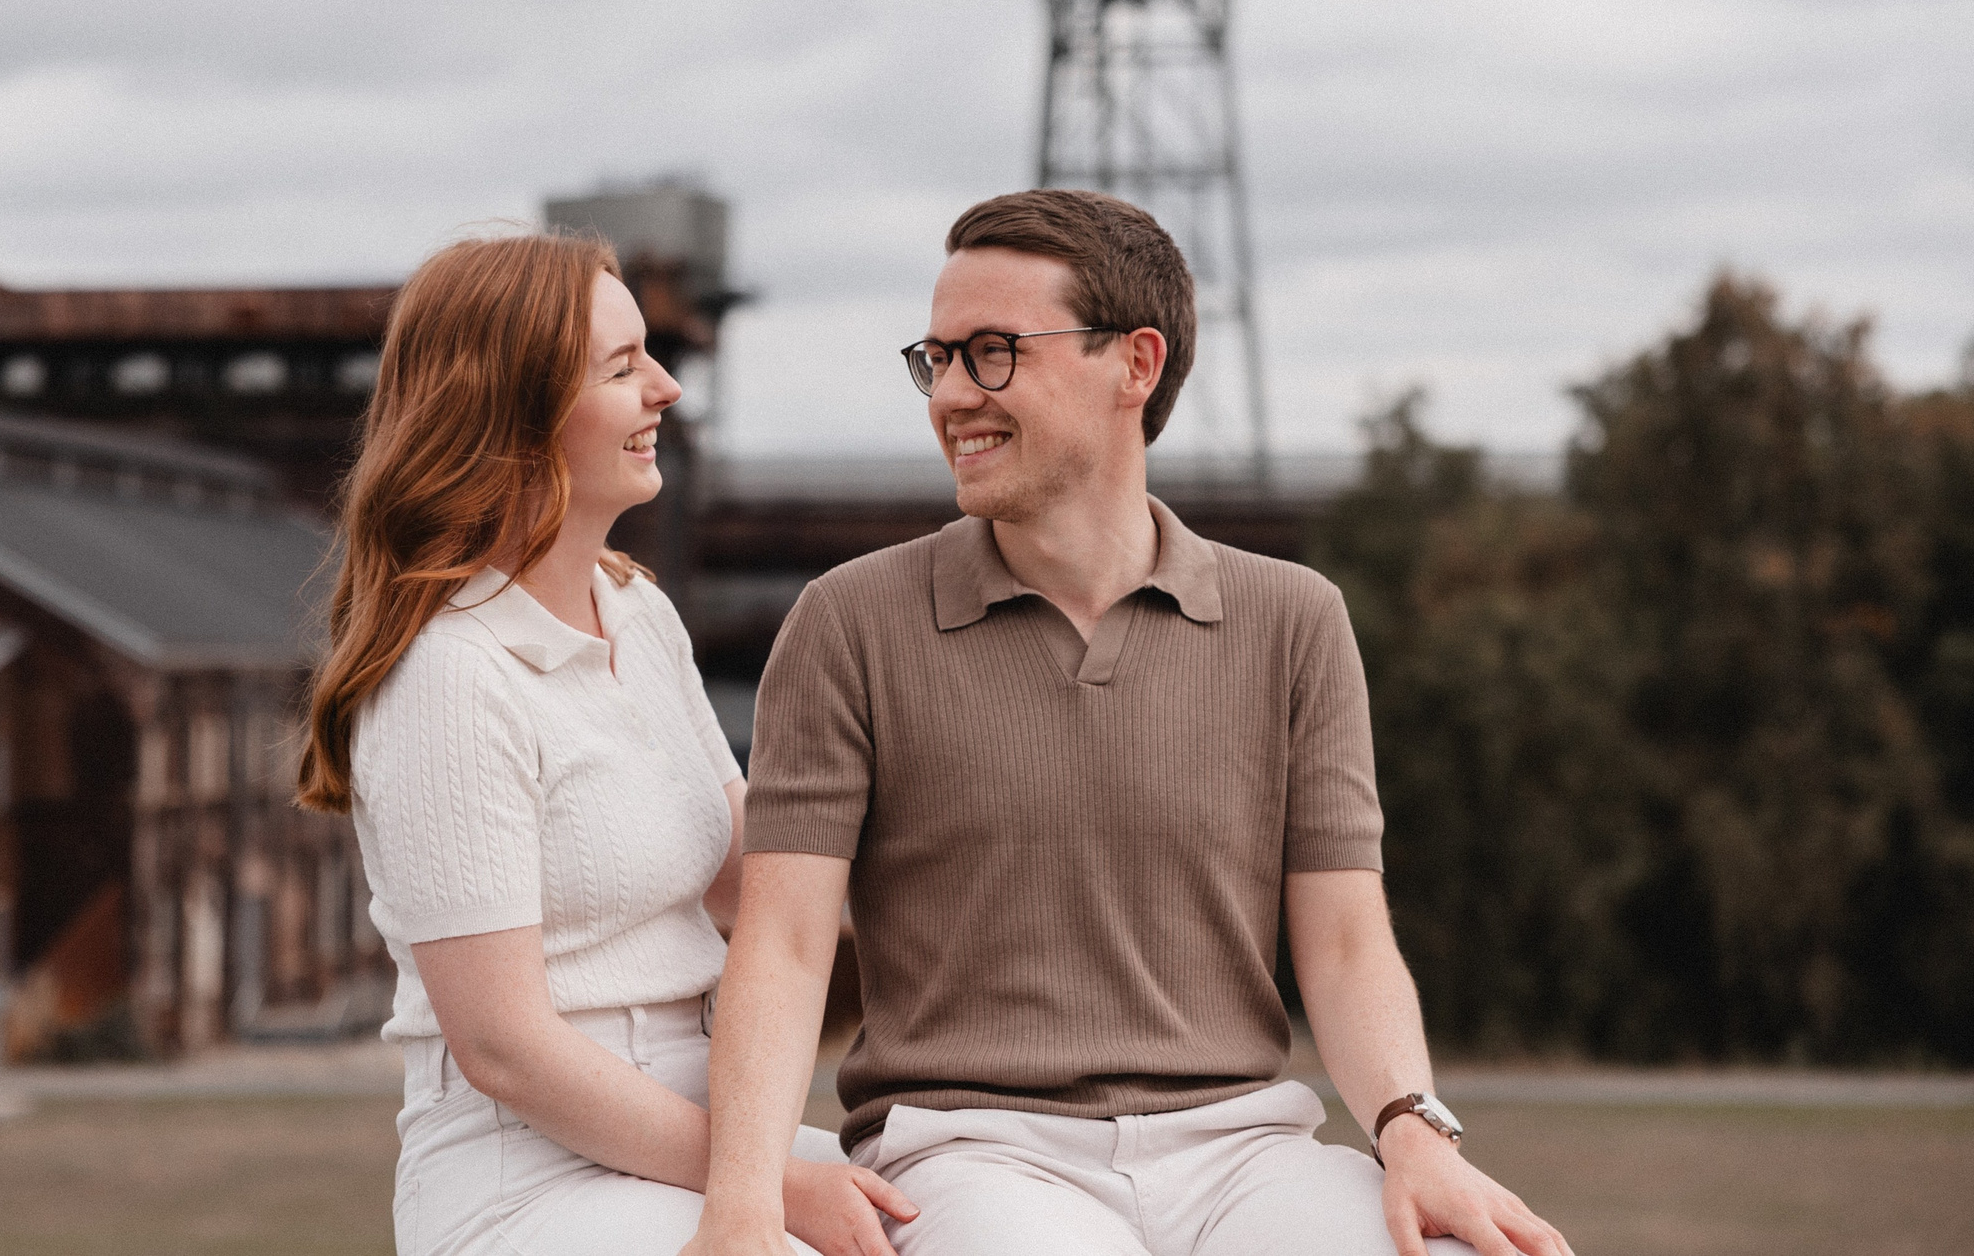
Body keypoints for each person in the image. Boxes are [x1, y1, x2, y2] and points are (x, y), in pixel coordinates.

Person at [684, 191, 1574, 1256]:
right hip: (971, 1154)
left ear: (1135, 364)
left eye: (994, 353)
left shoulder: (1295, 621)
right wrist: (741, 1203)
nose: (953, 395)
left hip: (1246, 1149)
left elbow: (1343, 942)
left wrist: (1413, 1129)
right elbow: (781, 947)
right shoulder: (847, 623)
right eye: (938, 358)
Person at [298, 231, 915, 1256]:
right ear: (516, 412)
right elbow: (506, 1052)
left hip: (700, 1122)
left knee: (956, 1213)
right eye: (623, 368)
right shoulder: (451, 674)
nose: (667, 389)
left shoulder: (634, 611)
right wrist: (766, 1188)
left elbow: (750, 879)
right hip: (528, 1171)